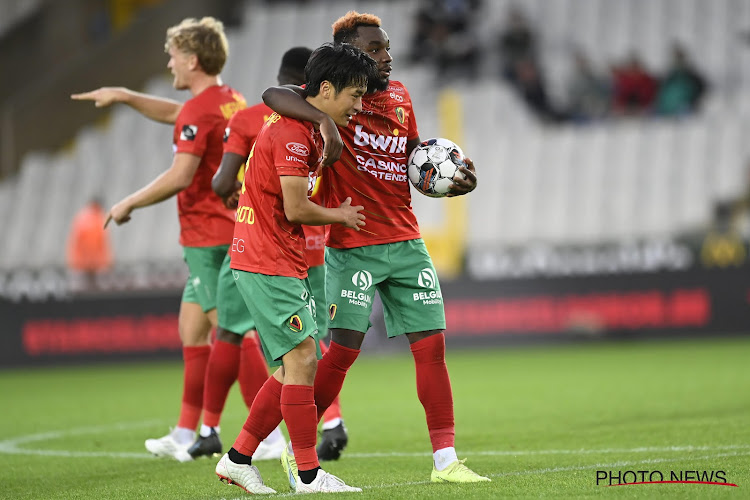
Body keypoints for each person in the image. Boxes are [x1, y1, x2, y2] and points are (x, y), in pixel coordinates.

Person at [262, 11, 489, 486]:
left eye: (386, 47)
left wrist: (445, 176)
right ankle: (296, 448)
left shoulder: (401, 95)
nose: (387, 56)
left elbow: (407, 155)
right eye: (375, 49)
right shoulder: (336, 99)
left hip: (406, 240)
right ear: (350, 56)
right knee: (341, 354)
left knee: (432, 350)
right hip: (352, 244)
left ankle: (446, 461)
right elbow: (274, 96)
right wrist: (324, 125)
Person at [70, 17, 280, 462]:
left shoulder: (200, 110)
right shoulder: (229, 100)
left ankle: (269, 435)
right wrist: (126, 97)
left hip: (208, 236)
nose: (169, 63)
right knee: (192, 330)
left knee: (233, 332)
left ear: (192, 59)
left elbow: (182, 174)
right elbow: (177, 113)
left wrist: (129, 202)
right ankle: (186, 433)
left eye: (173, 56)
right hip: (228, 228)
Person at [214, 42, 375, 494]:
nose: (358, 107)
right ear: (326, 90)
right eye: (354, 96)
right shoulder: (291, 133)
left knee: (292, 366)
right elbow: (296, 207)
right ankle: (308, 474)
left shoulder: (305, 125)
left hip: (278, 258)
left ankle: (238, 458)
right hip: (265, 261)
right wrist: (340, 216)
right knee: (304, 357)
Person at [65, 197, 113, 292]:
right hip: (91, 266)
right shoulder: (98, 220)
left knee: (80, 294)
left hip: (80, 265)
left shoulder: (81, 218)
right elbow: (98, 245)